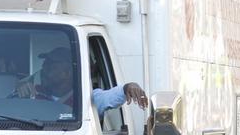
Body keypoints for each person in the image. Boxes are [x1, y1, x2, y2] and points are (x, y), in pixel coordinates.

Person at [15, 47, 148, 116]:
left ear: (67, 73)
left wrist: (127, 88)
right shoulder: (34, 91)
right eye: (44, 64)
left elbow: (108, 97)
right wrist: (22, 97)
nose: (44, 69)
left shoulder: (86, 97)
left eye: (51, 65)